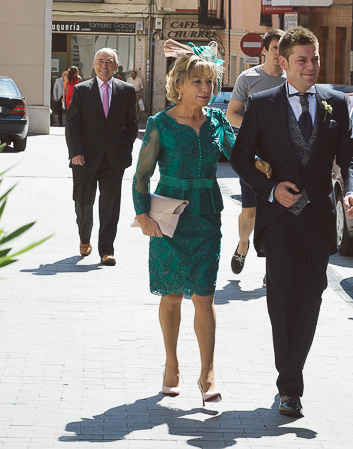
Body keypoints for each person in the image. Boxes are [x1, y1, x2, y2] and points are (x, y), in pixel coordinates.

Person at [230, 27, 353, 418]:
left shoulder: (335, 103)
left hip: (319, 217)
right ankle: (290, 385)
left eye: (316, 58)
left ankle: (293, 370)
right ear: (283, 63)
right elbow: (241, 158)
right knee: (284, 293)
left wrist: (352, 189)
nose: (311, 66)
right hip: (279, 218)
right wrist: (271, 189)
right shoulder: (263, 103)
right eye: (302, 60)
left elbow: (350, 155)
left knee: (312, 295)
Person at [133, 41, 235, 405]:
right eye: (197, 82)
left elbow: (242, 154)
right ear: (178, 85)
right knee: (172, 294)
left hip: (207, 218)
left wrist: (267, 166)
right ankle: (171, 364)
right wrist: (142, 214)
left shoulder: (217, 122)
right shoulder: (159, 124)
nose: (204, 89)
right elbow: (141, 175)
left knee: (204, 296)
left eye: (209, 82)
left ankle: (207, 374)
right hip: (168, 220)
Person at [65, 50, 138, 265]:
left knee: (110, 205)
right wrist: (75, 152)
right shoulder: (81, 91)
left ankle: (106, 250)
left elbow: (132, 126)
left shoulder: (126, 91)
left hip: (113, 161)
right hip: (84, 159)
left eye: (109, 62)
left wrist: (123, 148)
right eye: (100, 61)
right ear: (94, 65)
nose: (104, 65)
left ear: (117, 67)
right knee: (83, 202)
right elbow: (72, 124)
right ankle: (84, 238)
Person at [225, 29, 285, 277]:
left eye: (283, 49)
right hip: (253, 157)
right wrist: (255, 132)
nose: (279, 54)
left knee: (277, 211)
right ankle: (243, 244)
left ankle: (271, 266)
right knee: (250, 212)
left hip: (281, 157)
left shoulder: (291, 79)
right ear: (265, 50)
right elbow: (231, 114)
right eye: (274, 49)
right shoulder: (248, 78)